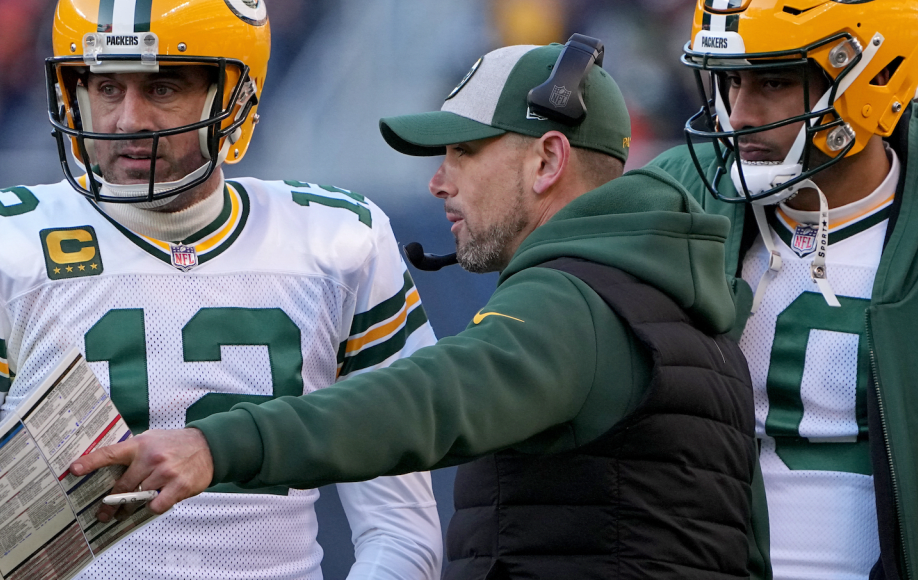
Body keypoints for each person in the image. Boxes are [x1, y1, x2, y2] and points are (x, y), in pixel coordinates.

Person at [0, 0, 442, 580]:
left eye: (162, 88)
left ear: (233, 96)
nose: (128, 118)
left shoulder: (339, 242)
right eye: (105, 86)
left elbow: (401, 529)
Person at [73, 38, 760, 579]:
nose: (438, 181)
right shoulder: (666, 294)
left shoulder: (575, 299)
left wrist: (215, 444)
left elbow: (430, 396)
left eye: (463, 152)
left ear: (548, 161)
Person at [648, 0, 918, 579]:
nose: (737, 114)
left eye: (771, 80)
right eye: (729, 79)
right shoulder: (667, 208)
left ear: (875, 75)